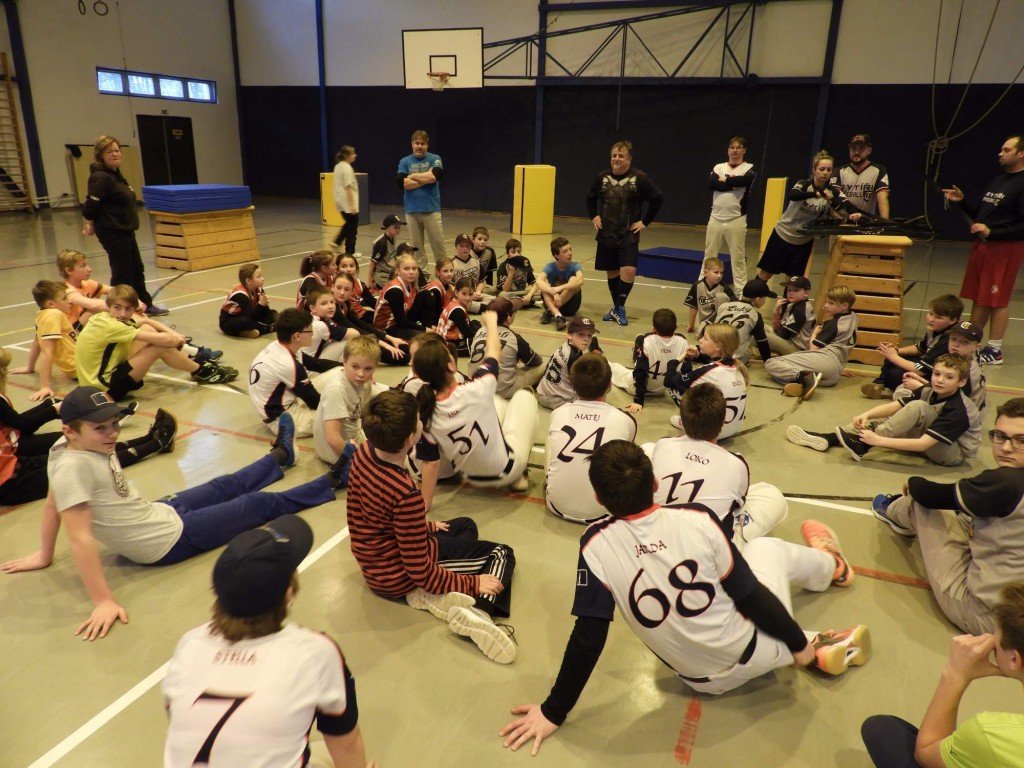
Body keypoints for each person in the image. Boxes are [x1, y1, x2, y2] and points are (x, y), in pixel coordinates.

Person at [498, 440, 868, 756]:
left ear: (598, 498)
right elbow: (750, 596)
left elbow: (588, 637)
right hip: (758, 651)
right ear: (656, 484)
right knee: (766, 550)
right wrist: (793, 642)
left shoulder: (594, 546)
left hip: (699, 680)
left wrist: (553, 712)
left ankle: (808, 641)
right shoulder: (698, 518)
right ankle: (830, 571)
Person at [0, 389, 341, 640]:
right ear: (70, 430)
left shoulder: (66, 447)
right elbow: (80, 536)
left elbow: (49, 503)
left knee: (225, 484)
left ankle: (280, 456)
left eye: (114, 424)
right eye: (100, 429)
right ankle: (332, 480)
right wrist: (103, 600)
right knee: (257, 506)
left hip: (157, 511)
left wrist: (45, 555)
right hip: (165, 541)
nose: (112, 434)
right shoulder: (72, 468)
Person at [163, 514, 375, 768]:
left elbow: (177, 716)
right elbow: (346, 744)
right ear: (288, 592)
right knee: (331, 754)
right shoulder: (315, 652)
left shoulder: (190, 643)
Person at [347, 389, 517, 664]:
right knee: (501, 553)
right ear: (409, 439)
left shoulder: (364, 452)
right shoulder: (405, 494)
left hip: (373, 563)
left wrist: (422, 527)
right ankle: (482, 611)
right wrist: (473, 583)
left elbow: (374, 515)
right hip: (399, 578)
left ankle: (438, 594)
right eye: (417, 420)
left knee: (464, 526)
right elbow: (420, 570)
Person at [869, 398, 1024, 635]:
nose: (1005, 447)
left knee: (920, 505)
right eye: (1000, 436)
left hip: (990, 618)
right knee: (967, 512)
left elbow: (930, 495)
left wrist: (912, 483)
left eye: (1021, 440)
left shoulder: (1007, 481)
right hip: (1016, 607)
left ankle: (893, 511)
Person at [861, 585, 1024, 768]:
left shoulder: (991, 735)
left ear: (1013, 658)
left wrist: (955, 674)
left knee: (882, 730)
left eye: (996, 635)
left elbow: (925, 753)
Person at [0, 350, 175, 506]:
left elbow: (16, 422)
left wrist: (50, 407)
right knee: (86, 463)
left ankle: (148, 438)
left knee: (80, 451)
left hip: (14, 462)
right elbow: (21, 423)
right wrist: (52, 409)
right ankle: (156, 443)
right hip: (9, 482)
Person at [411, 313, 539, 507]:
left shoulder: (426, 412)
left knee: (495, 403)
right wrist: (491, 324)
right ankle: (520, 472)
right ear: (452, 364)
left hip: (470, 477)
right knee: (524, 397)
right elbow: (494, 351)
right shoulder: (478, 386)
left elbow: (431, 464)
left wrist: (425, 504)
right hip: (505, 471)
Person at [650, 384, 786, 544]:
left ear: (683, 421)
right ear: (722, 423)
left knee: (648, 449)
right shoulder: (736, 462)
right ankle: (740, 537)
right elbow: (740, 501)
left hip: (654, 538)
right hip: (703, 552)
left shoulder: (663, 444)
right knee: (771, 495)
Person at [787, 354, 981, 467]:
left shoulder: (958, 408)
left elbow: (923, 445)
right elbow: (895, 406)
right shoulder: (930, 391)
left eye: (948, 377)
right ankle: (829, 438)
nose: (939, 380)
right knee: (894, 417)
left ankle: (863, 445)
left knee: (917, 408)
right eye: (937, 374)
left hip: (952, 454)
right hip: (933, 439)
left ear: (961, 382)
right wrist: (867, 414)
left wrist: (878, 440)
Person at [943, 133, 1024, 365]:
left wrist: (993, 233)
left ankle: (995, 349)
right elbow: (980, 213)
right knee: (981, 297)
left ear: (1021, 153)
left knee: (998, 300)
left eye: (1006, 150)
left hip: (1005, 249)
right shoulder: (998, 180)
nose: (1000, 153)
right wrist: (961, 201)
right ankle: (971, 341)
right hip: (984, 248)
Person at [76, 285, 236, 400]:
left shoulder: (102, 317)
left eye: (128, 309)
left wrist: (173, 334)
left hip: (92, 381)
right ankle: (202, 371)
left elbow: (146, 324)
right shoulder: (113, 326)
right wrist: (175, 338)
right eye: (117, 308)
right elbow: (165, 340)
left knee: (149, 329)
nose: (122, 314)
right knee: (159, 346)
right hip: (105, 387)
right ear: (109, 306)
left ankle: (197, 365)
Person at [546, 353, 637, 524]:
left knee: (553, 440)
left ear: (573, 385)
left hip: (556, 505)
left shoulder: (559, 412)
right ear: (609, 385)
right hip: (603, 511)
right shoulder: (624, 420)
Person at [82, 135, 167, 315]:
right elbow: (91, 205)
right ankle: (117, 309)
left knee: (137, 269)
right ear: (100, 155)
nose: (115, 154)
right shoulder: (101, 177)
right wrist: (90, 224)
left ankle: (143, 303)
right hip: (113, 231)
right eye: (109, 151)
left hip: (125, 229)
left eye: (117, 150)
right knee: (122, 272)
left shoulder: (115, 174)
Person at [586, 140, 663, 327]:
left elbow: (657, 199)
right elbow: (590, 197)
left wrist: (644, 222)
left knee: (629, 270)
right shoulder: (602, 177)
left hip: (628, 234)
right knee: (612, 271)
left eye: (621, 156)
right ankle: (617, 308)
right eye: (614, 155)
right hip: (606, 234)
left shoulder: (640, 178)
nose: (616, 159)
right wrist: (594, 216)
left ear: (628, 159)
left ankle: (619, 307)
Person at [756, 150, 863, 283]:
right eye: (822, 169)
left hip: (803, 242)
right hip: (783, 235)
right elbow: (793, 195)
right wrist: (815, 194)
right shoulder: (804, 184)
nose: (825, 173)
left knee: (793, 280)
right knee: (766, 274)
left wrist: (853, 213)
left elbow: (845, 203)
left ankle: (789, 304)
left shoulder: (833, 191)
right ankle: (750, 299)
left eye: (829, 170)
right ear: (814, 170)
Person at [249, 308, 342, 437]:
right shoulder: (288, 364)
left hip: (287, 403)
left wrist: (347, 367)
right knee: (343, 418)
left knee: (341, 372)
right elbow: (313, 400)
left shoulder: (281, 345)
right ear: (297, 336)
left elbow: (316, 364)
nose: (313, 333)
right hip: (284, 421)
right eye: (310, 330)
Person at [764, 285, 859, 400]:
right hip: (834, 374)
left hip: (825, 360)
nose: (825, 306)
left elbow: (813, 349)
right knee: (777, 377)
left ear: (844, 305)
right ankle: (803, 383)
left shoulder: (833, 323)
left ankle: (804, 378)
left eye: (831, 303)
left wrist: (815, 333)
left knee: (771, 363)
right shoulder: (854, 317)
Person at [861, 293, 961, 399]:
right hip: (927, 365)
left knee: (895, 373)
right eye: (930, 314)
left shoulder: (949, 339)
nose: (931, 319)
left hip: (937, 373)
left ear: (953, 320)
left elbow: (921, 370)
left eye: (938, 317)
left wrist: (894, 356)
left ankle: (896, 390)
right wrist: (896, 351)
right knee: (892, 358)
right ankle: (880, 384)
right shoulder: (936, 329)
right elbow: (919, 348)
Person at [664, 323, 749, 439]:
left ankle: (692, 425)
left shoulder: (708, 370)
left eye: (705, 338)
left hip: (714, 432)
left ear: (718, 346)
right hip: (734, 428)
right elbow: (714, 363)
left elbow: (669, 381)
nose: (700, 340)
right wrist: (698, 355)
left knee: (675, 385)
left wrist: (674, 361)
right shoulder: (737, 366)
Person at [313, 335, 385, 469]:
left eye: (368, 369)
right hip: (337, 453)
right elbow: (333, 438)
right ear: (344, 362)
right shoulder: (337, 390)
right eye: (355, 367)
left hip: (354, 434)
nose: (361, 374)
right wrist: (360, 462)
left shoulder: (359, 381)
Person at [609, 308, 689, 414]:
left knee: (613, 367)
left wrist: (639, 401)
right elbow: (686, 370)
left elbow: (641, 373)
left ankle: (598, 354)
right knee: (645, 355)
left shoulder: (648, 340)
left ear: (654, 328)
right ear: (676, 327)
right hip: (662, 390)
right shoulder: (683, 342)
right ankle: (638, 350)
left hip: (638, 388)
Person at [704, 136, 756, 292]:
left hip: (736, 219)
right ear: (728, 150)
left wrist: (724, 181)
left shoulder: (749, 168)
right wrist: (732, 183)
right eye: (732, 147)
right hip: (715, 218)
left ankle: (741, 293)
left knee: (738, 258)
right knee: (709, 254)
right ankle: (704, 286)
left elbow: (744, 182)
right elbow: (713, 184)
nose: (735, 150)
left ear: (744, 150)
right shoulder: (718, 167)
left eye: (738, 147)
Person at [13, 281, 79, 402]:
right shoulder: (54, 315)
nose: (69, 301)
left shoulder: (42, 314)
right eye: (64, 298)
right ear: (51, 304)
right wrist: (45, 387)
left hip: (78, 365)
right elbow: (46, 352)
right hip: (80, 367)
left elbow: (36, 342)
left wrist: (30, 367)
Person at [469, 297, 544, 400]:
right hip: (501, 391)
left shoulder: (479, 331)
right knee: (543, 366)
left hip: (477, 386)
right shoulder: (514, 338)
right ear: (508, 318)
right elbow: (536, 361)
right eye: (514, 312)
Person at [330, 273, 408, 365]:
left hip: (342, 341)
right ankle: (413, 360)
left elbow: (360, 324)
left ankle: (413, 355)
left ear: (352, 292)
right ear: (332, 287)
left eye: (346, 289)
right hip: (330, 347)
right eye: (338, 288)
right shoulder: (332, 307)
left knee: (401, 346)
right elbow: (357, 330)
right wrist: (386, 346)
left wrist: (390, 338)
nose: (342, 292)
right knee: (378, 350)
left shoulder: (344, 303)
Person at [397, 129, 445, 266]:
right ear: (412, 144)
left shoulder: (435, 158)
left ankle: (443, 277)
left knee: (438, 247)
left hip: (431, 210)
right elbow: (402, 183)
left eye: (422, 143)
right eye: (416, 143)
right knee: (416, 249)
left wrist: (412, 176)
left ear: (427, 145)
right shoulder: (405, 161)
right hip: (411, 211)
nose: (419, 146)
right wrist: (426, 177)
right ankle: (422, 277)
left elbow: (436, 176)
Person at [536, 316, 602, 410]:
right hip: (556, 400)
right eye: (581, 334)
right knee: (599, 390)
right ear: (570, 335)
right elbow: (582, 384)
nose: (586, 339)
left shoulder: (564, 346)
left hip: (542, 391)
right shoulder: (574, 357)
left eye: (589, 335)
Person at [704, 277, 773, 364]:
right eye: (764, 298)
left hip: (711, 352)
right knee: (747, 353)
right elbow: (762, 343)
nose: (765, 301)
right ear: (758, 299)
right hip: (731, 358)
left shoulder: (724, 306)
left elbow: (707, 326)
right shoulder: (755, 315)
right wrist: (768, 361)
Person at [833, 133, 890, 218]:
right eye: (853, 148)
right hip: (843, 223)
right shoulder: (839, 171)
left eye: (861, 148)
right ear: (849, 151)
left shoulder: (878, 170)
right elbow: (834, 200)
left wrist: (885, 224)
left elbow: (883, 199)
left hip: (866, 224)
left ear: (869, 151)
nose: (857, 152)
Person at [372, 253, 424, 341]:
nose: (411, 272)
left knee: (425, 295)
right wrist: (424, 329)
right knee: (423, 338)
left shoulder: (410, 284)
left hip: (398, 323)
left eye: (414, 268)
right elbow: (401, 322)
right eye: (406, 269)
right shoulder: (396, 291)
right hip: (386, 329)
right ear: (398, 271)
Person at [537, 237, 584, 331]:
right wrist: (554, 292)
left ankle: (551, 311)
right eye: (565, 251)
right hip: (552, 301)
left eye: (570, 249)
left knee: (573, 279)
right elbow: (538, 281)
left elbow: (580, 280)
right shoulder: (550, 267)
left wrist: (559, 289)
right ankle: (558, 315)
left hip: (570, 306)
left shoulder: (575, 265)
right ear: (557, 255)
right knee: (545, 285)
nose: (570, 253)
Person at [219, 263, 278, 338]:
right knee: (247, 321)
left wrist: (264, 305)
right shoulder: (240, 294)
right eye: (258, 277)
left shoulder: (258, 288)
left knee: (273, 314)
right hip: (230, 322)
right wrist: (260, 304)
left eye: (262, 275)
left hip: (248, 316)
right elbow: (250, 317)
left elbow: (264, 312)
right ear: (248, 281)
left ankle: (245, 332)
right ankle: (268, 329)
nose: (263, 278)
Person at [57, 248, 110, 330]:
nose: (89, 269)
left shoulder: (87, 283)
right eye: (83, 266)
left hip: (84, 327)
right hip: (71, 333)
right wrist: (120, 306)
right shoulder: (66, 289)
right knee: (94, 309)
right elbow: (94, 305)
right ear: (69, 270)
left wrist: (134, 303)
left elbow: (117, 291)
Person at [684, 256, 736, 335]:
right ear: (705, 273)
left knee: (721, 297)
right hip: (705, 323)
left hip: (720, 323)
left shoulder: (724, 287)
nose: (719, 275)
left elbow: (735, 305)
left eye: (721, 273)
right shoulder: (697, 286)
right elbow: (693, 307)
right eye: (716, 272)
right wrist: (691, 325)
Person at [298, 287, 346, 372]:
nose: (330, 306)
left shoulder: (312, 318)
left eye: (332, 302)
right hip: (311, 370)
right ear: (313, 308)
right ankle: (345, 370)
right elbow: (354, 334)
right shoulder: (321, 325)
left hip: (305, 364)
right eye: (324, 304)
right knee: (346, 343)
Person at [766, 275, 815, 356]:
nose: (791, 293)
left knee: (759, 334)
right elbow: (778, 328)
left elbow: (783, 335)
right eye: (789, 290)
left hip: (798, 349)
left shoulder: (800, 310)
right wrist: (776, 310)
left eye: (796, 290)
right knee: (760, 326)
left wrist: (776, 313)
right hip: (790, 341)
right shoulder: (794, 304)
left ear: (806, 293)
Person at [435, 277, 480, 356]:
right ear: (456, 292)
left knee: (476, 323)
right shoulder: (457, 311)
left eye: (470, 294)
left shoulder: (456, 303)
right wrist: (479, 335)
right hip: (447, 343)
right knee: (479, 343)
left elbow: (467, 325)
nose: (467, 298)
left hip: (448, 337)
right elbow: (467, 333)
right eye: (464, 294)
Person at [331, 145, 360, 256]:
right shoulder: (347, 168)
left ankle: (337, 242)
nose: (355, 155)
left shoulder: (337, 166)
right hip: (347, 202)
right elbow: (348, 187)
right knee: (352, 227)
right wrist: (352, 205)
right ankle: (350, 252)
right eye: (353, 154)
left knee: (349, 224)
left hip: (339, 201)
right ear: (347, 156)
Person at [496, 238, 539, 309]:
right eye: (513, 252)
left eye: (519, 252)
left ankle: (520, 302)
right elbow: (505, 289)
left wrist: (529, 295)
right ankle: (528, 303)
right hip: (509, 294)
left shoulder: (524, 263)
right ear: (507, 254)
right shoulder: (503, 266)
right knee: (502, 295)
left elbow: (534, 283)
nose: (517, 254)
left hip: (522, 293)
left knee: (543, 291)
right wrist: (511, 273)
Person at [368, 214, 404, 291]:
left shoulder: (393, 238)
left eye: (399, 228)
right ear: (387, 227)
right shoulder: (382, 243)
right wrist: (369, 281)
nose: (398, 230)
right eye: (395, 227)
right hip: (382, 276)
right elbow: (372, 263)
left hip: (389, 272)